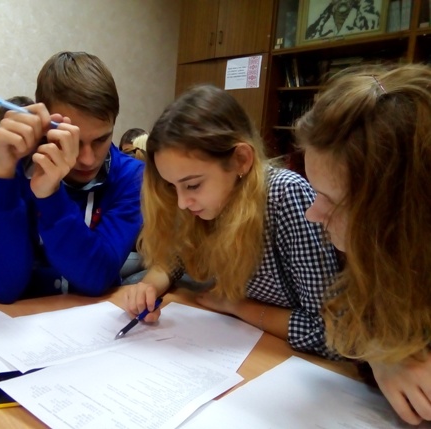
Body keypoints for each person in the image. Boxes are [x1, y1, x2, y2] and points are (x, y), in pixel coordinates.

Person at [121, 84, 339, 359]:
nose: (182, 202)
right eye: (172, 186)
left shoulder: (285, 195)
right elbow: (175, 260)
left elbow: (330, 332)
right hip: (250, 343)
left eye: (193, 185)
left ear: (240, 160)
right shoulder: (207, 204)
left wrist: (237, 307)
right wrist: (149, 287)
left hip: (298, 361)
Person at [296, 63, 431, 425]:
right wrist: (380, 354)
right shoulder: (374, 255)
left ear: (399, 214)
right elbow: (343, 317)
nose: (312, 213)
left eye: (330, 198)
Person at [0, 51, 144, 303]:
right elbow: (3, 289)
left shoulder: (130, 176)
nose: (88, 160)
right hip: (21, 321)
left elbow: (97, 277)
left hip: (96, 318)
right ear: (45, 125)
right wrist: (2, 181)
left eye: (101, 139)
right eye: (74, 140)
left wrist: (51, 197)